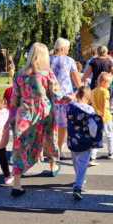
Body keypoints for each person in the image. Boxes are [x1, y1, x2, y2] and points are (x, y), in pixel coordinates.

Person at [10, 42, 70, 197]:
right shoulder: (47, 73)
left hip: (25, 113)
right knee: (49, 138)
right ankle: (52, 165)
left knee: (21, 145)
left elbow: (14, 99)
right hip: (45, 111)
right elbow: (57, 95)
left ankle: (17, 182)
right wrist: (71, 98)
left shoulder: (20, 75)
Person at [67, 86, 103, 200]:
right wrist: (94, 138)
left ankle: (79, 179)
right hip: (85, 141)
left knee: (75, 162)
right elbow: (93, 126)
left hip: (72, 141)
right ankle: (78, 186)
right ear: (88, 97)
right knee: (83, 164)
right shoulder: (89, 110)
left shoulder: (70, 107)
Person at [50, 38, 82, 159]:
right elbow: (78, 82)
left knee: (50, 125)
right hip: (65, 98)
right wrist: (77, 94)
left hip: (50, 97)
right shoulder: (69, 61)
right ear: (63, 48)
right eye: (68, 48)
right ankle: (58, 149)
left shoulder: (47, 60)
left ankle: (47, 149)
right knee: (63, 125)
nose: (69, 50)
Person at [91, 72, 113, 164]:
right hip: (105, 116)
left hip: (95, 116)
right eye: (109, 83)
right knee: (109, 134)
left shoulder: (93, 91)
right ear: (104, 82)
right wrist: (103, 114)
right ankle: (111, 151)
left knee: (97, 136)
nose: (109, 85)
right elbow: (105, 105)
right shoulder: (105, 91)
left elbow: (92, 103)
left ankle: (92, 155)